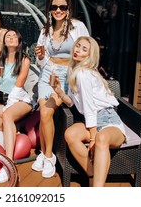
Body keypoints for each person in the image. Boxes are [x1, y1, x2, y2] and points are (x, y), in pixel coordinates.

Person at [54, 36, 126, 187]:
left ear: (89, 55)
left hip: (108, 119)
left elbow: (89, 106)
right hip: (91, 120)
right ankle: (92, 175)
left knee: (100, 139)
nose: (78, 50)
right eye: (77, 46)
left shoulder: (83, 74)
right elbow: (74, 103)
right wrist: (59, 91)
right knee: (70, 134)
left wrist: (93, 137)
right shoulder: (75, 70)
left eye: (84, 49)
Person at [32, 0, 89, 178]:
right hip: (48, 73)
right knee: (43, 113)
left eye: (62, 7)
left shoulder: (78, 27)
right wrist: (40, 57)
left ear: (68, 9)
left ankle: (49, 157)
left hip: (67, 75)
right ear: (50, 10)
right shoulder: (45, 30)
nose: (58, 10)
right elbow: (42, 60)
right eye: (54, 7)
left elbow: (88, 50)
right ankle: (44, 153)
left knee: (47, 112)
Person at [0, 29, 33, 184]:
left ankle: (8, 163)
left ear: (19, 41)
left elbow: (17, 89)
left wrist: (6, 113)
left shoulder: (24, 60)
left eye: (14, 36)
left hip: (20, 100)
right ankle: (12, 130)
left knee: (7, 115)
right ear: (4, 41)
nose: (11, 38)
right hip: (2, 99)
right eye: (8, 36)